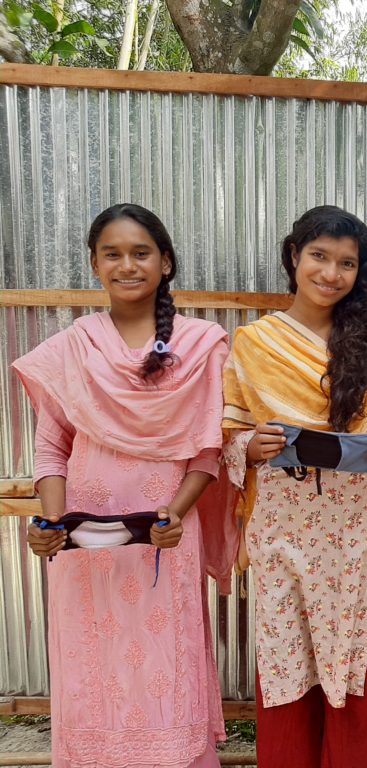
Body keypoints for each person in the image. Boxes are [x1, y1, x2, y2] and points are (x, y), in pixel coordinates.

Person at [13, 203, 230, 768]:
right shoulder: (74, 347)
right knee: (93, 671)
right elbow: (52, 446)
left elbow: (209, 447)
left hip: (165, 536)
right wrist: (55, 525)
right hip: (87, 544)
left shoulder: (201, 343)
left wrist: (175, 514)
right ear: (94, 263)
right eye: (112, 253)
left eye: (141, 253)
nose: (127, 265)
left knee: (166, 663)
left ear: (166, 263)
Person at [220, 205, 367, 768]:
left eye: (347, 263)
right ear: (293, 257)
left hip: (358, 529)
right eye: (319, 257)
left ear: (361, 271)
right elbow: (230, 435)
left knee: (360, 668)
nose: (332, 273)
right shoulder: (255, 344)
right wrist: (248, 448)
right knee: (288, 668)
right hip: (283, 525)